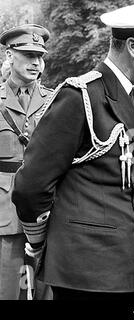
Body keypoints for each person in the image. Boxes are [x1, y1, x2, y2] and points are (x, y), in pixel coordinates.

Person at [11, 4, 134, 300]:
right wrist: (40, 239)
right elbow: (31, 185)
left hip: (128, 266)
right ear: (132, 46)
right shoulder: (80, 96)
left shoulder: (133, 96)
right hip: (88, 273)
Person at [0, 24, 53, 300]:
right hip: (5, 214)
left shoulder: (54, 101)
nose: (36, 63)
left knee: (45, 289)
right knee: (9, 290)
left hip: (45, 211)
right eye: (29, 55)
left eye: (40, 56)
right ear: (10, 55)